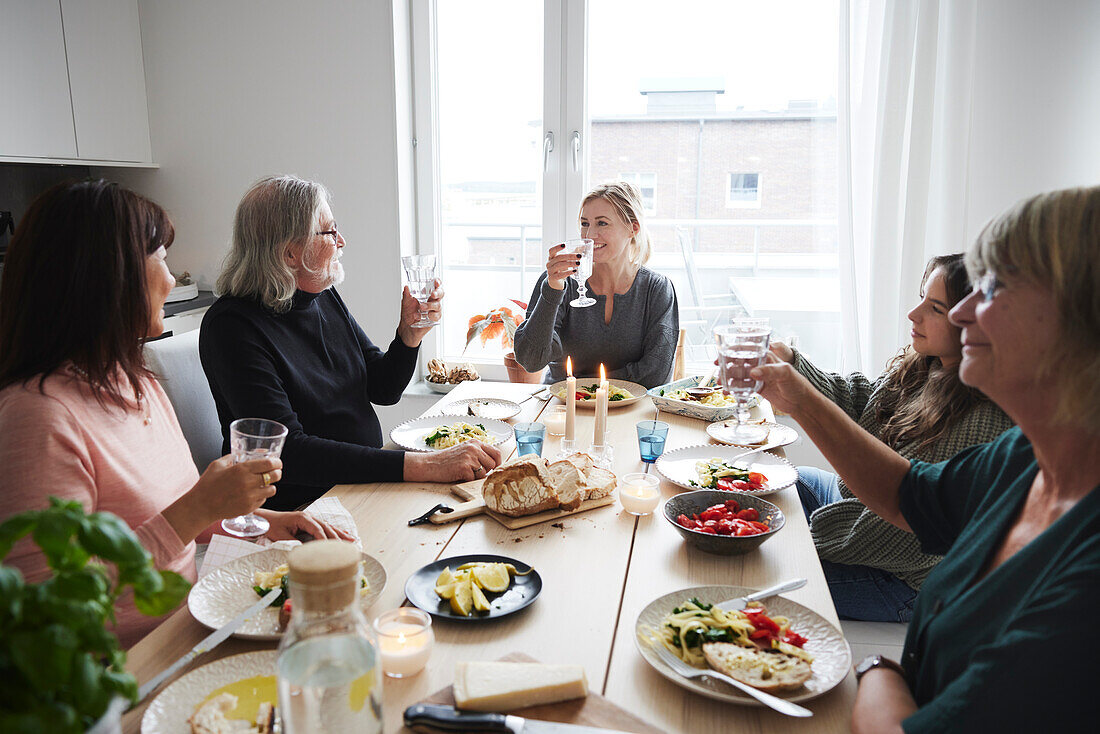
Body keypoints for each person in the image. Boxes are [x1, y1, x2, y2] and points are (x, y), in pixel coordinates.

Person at [753, 186, 1100, 732]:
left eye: (996, 287)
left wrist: (874, 670)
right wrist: (798, 394)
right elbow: (908, 494)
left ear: (1078, 320)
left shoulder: (1083, 583)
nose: (962, 312)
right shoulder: (1024, 457)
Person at [0, 180, 348, 648]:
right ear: (108, 277)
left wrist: (271, 523)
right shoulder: (37, 418)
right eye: (161, 259)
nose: (171, 279)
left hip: (190, 624)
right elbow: (52, 610)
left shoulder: (136, 383)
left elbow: (173, 513)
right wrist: (200, 506)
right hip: (126, 666)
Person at [200, 176, 501, 511]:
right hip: (301, 506)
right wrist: (424, 466)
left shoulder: (321, 296)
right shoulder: (232, 327)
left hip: (359, 485)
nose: (341, 240)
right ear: (289, 253)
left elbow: (382, 388)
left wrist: (408, 336)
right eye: (329, 232)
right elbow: (289, 453)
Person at [774, 254, 1012, 622]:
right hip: (860, 512)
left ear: (973, 320)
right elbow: (863, 402)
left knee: (767, 567)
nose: (913, 314)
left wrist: (796, 541)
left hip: (905, 580)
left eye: (935, 308)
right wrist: (793, 362)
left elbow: (898, 533)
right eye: (921, 298)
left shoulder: (981, 418)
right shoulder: (930, 365)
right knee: (777, 482)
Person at [513, 181, 678, 388]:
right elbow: (531, 360)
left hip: (630, 410)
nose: (589, 235)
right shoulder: (559, 283)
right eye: (584, 223)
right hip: (563, 409)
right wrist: (552, 289)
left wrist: (578, 384)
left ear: (632, 228)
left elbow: (656, 374)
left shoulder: (657, 290)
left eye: (602, 223)